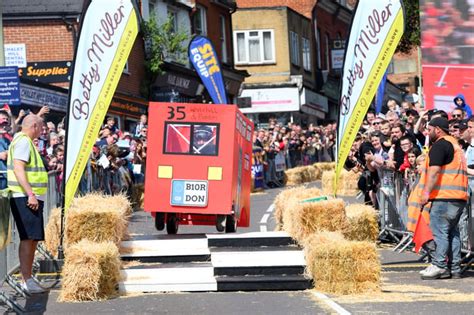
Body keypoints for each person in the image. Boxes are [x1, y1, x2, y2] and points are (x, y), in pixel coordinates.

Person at [419, 117, 468, 280]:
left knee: (440, 232)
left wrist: (425, 194)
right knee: (452, 233)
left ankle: (439, 265)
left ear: (438, 129)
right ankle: (454, 268)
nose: (427, 131)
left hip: (444, 197)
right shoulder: (455, 146)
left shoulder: (440, 145)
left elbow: (433, 173)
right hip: (458, 197)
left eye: (429, 128)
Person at [7, 114, 48, 293]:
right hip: (25, 196)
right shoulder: (23, 141)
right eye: (41, 128)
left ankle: (28, 277)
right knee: (28, 238)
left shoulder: (24, 141)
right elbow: (18, 168)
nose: (42, 131)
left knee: (31, 238)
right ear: (33, 126)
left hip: (28, 196)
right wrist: (30, 194)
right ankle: (26, 279)